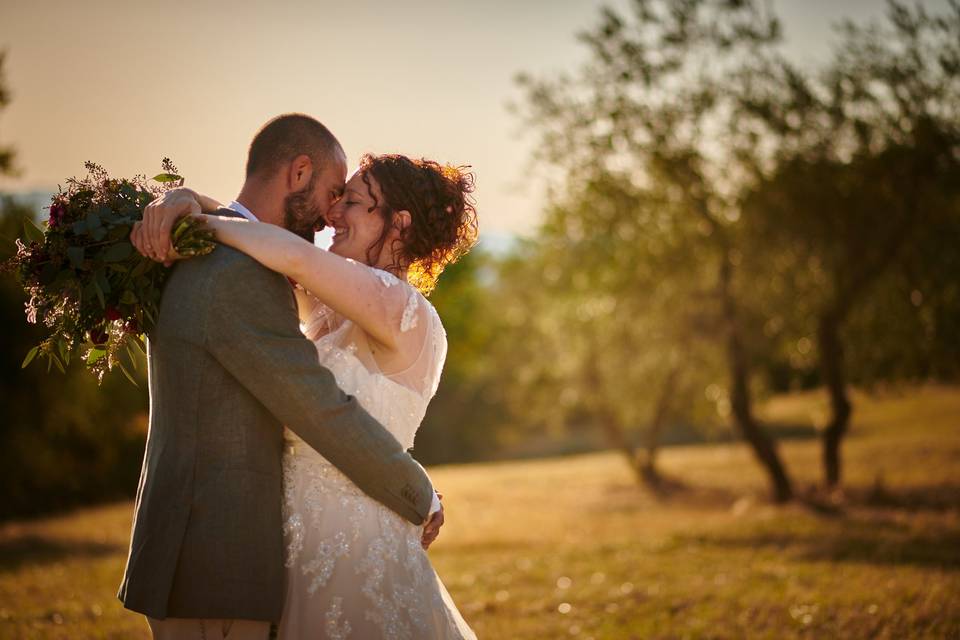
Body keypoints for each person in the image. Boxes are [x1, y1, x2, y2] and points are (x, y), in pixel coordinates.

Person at [132, 124, 479, 638]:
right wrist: (182, 199)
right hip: (288, 548)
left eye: (354, 202)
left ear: (398, 224)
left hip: (357, 543)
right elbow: (260, 235)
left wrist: (201, 222)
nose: (333, 214)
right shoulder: (326, 306)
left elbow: (290, 254)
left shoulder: (403, 308)